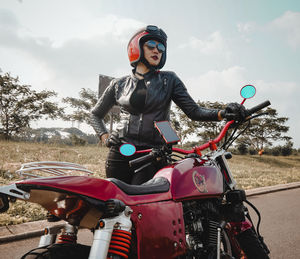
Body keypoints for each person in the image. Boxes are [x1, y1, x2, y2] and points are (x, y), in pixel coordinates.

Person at [90, 25, 246, 185]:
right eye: (151, 46)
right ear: (136, 47)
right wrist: (105, 137)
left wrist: (223, 112)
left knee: (142, 202)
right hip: (120, 151)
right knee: (115, 202)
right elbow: (95, 114)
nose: (157, 50)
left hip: (153, 153)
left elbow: (194, 111)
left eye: (161, 47)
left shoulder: (169, 79)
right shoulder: (119, 83)